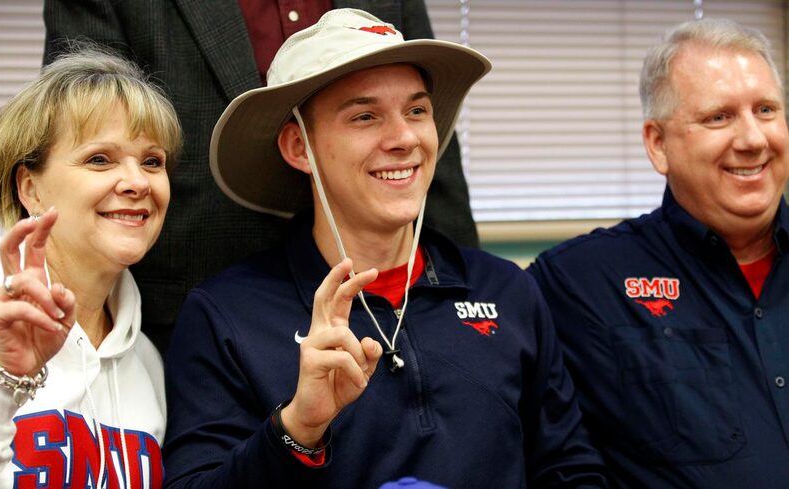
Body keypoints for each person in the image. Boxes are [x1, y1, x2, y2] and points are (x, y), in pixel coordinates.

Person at [163, 9, 608, 489]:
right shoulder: (226, 316)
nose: (404, 139)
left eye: (417, 111)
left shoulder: (508, 292)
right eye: (365, 116)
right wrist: (298, 429)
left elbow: (571, 471)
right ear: (298, 147)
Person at [42, 0, 480, 355]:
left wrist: (465, 297)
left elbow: (427, 142)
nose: (402, 134)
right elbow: (80, 129)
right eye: (365, 116)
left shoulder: (499, 296)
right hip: (180, 313)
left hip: (384, 302)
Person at [528, 18, 789, 489]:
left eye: (766, 110)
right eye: (719, 117)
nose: (754, 139)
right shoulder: (580, 284)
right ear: (658, 144)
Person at [0, 46, 182, 488]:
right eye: (100, 159)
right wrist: (5, 379)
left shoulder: (147, 361)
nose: (137, 182)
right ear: (31, 189)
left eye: (152, 162)